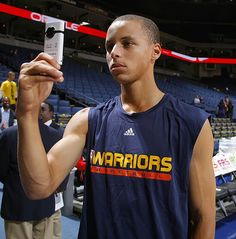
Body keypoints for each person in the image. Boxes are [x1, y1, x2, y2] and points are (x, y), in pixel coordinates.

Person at [16, 14, 216, 239]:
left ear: (155, 51)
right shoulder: (87, 120)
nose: (115, 53)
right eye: (109, 46)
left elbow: (203, 218)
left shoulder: (192, 124)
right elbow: (39, 187)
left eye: (127, 43)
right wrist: (27, 115)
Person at [0, 120, 65, 239]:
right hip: (45, 206)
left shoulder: (8, 134)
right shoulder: (55, 134)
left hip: (18, 205)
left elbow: (2, 172)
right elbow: (61, 168)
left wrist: (16, 184)